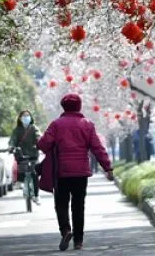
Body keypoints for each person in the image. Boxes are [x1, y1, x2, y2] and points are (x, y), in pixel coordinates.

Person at [38, 94, 114, 251]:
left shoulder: (56, 125)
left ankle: (66, 230)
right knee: (78, 206)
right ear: (79, 106)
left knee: (61, 204)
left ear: (63, 107)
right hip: (81, 172)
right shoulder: (87, 124)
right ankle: (78, 241)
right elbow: (97, 148)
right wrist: (107, 167)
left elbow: (44, 145)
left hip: (62, 171)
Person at [9, 110, 42, 204]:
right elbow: (13, 139)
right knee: (20, 167)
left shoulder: (34, 128)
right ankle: (19, 181)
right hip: (21, 154)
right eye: (24, 116)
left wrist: (39, 142)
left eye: (28, 116)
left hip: (33, 154)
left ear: (31, 118)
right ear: (20, 118)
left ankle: (36, 195)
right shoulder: (17, 130)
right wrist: (11, 146)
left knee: (34, 174)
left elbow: (38, 136)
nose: (26, 117)